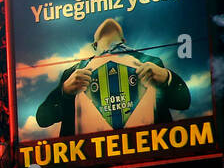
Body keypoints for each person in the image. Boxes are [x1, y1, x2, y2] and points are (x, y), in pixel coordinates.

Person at [36, 18, 190, 136]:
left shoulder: (152, 64)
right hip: (90, 161)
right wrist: (64, 91)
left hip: (148, 153)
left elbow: (183, 102)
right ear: (94, 47)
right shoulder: (73, 74)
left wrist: (167, 78)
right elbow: (43, 118)